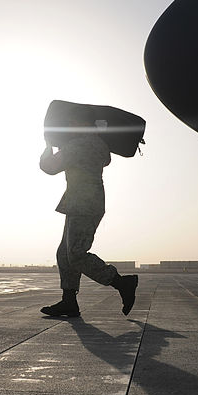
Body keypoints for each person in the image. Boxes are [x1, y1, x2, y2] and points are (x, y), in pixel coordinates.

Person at [39, 113, 137, 317]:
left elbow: (49, 166)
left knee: (75, 253)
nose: (70, 124)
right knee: (64, 253)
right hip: (86, 203)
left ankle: (121, 283)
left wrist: (49, 145)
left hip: (82, 204)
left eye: (74, 121)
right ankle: (69, 301)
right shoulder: (99, 145)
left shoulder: (79, 145)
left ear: (85, 125)